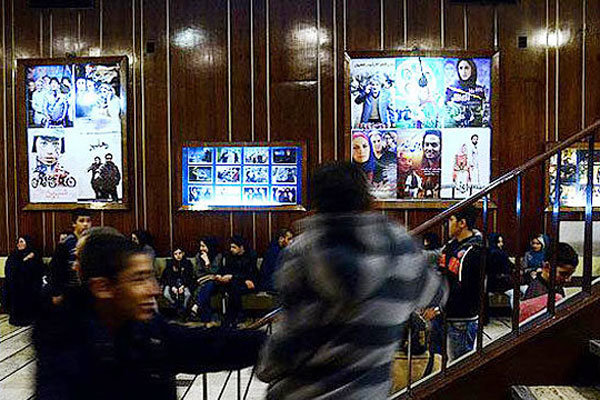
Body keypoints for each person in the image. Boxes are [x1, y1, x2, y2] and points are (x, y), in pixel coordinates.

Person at [257, 162, 442, 399]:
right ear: (367, 199)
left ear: (315, 204)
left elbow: (293, 339)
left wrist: (266, 364)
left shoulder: (301, 254)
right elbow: (436, 293)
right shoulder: (399, 246)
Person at [34, 227, 266, 400]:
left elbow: (201, 345)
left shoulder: (145, 329)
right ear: (102, 287)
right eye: (138, 279)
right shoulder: (64, 343)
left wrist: (269, 345)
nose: (154, 290)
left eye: (151, 277)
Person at [437, 205, 484, 361]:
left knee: (459, 363)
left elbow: (463, 289)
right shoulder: (450, 246)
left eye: (451, 220)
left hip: (461, 317)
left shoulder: (473, 250)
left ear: (462, 223)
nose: (447, 225)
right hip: (446, 313)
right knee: (444, 361)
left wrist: (438, 307)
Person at [48, 208, 92, 303]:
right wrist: (56, 292)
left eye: (88, 221)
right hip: (70, 289)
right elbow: (55, 269)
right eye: (81, 221)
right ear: (74, 224)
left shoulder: (93, 242)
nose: (85, 224)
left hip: (88, 290)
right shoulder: (66, 244)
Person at [216, 235, 258, 327]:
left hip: (249, 283)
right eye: (231, 247)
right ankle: (235, 317)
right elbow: (225, 269)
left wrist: (232, 277)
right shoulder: (230, 256)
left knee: (234, 288)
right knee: (231, 287)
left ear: (241, 247)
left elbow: (250, 274)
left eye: (234, 247)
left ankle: (230, 318)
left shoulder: (251, 256)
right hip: (236, 282)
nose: (231, 249)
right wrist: (219, 274)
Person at [4, 235, 45, 326]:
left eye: (22, 241)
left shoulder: (34, 255)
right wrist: (25, 259)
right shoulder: (14, 255)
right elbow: (11, 269)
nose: (19, 244)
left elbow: (38, 270)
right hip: (16, 285)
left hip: (30, 285)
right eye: (18, 242)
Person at [445, 58, 488, 127]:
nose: (463, 72)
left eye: (466, 68)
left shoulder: (479, 90)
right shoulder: (451, 89)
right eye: (461, 68)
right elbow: (447, 112)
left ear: (472, 69)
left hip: (476, 129)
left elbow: (484, 113)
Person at [190, 237, 223, 324]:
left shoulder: (218, 256)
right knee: (207, 285)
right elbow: (198, 274)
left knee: (209, 284)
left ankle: (196, 306)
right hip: (202, 282)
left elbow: (215, 272)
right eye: (200, 246)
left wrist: (207, 262)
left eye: (203, 246)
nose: (201, 248)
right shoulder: (198, 256)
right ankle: (207, 318)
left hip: (216, 284)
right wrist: (209, 276)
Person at [160, 247, 195, 316]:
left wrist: (183, 286)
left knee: (187, 294)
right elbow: (168, 277)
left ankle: (183, 308)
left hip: (184, 283)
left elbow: (189, 277)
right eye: (175, 254)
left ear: (183, 253)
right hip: (171, 283)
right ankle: (175, 305)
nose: (178, 255)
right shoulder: (170, 263)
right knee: (166, 294)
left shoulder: (188, 263)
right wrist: (172, 286)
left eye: (180, 253)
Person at [258, 228, 293, 293]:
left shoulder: (283, 250)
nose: (291, 242)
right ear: (281, 239)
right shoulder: (273, 252)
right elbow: (276, 272)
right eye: (289, 239)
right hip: (269, 284)